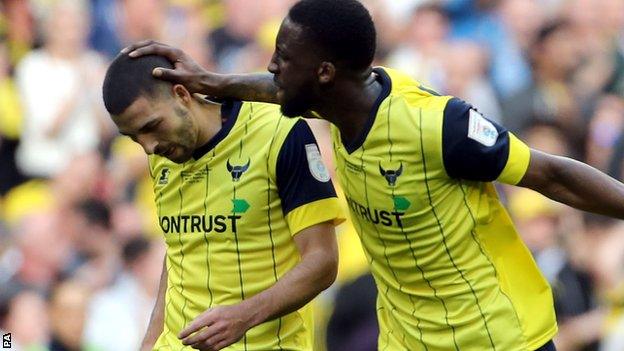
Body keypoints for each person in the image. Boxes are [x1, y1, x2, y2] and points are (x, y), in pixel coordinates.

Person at [122, 1, 624, 350]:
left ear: (323, 73)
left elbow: (551, 174)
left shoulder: (436, 124)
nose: (271, 65)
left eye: (283, 58)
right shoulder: (332, 103)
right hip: (407, 340)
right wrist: (212, 80)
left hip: (496, 337)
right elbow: (278, 90)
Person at [101, 53, 344, 350]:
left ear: (181, 94)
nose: (148, 146)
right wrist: (150, 343)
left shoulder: (279, 134)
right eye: (134, 137)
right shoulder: (165, 155)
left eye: (151, 126)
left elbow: (323, 261)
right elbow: (181, 250)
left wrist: (244, 316)